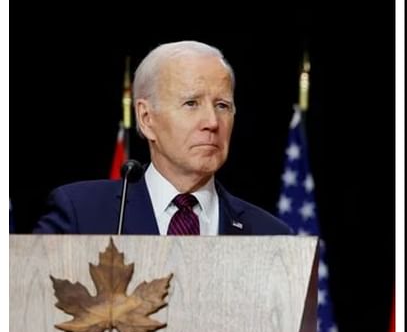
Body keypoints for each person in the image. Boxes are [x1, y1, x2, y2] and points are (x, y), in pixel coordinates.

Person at [34, 41, 291, 236]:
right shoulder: (81, 215)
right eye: (191, 103)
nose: (212, 123)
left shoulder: (270, 234)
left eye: (222, 105)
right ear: (146, 118)